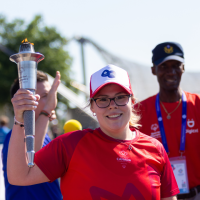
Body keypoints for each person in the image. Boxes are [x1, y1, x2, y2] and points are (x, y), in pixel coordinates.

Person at [7, 64, 179, 200]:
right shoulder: (70, 145)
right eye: (103, 99)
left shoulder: (155, 148)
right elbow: (19, 176)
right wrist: (19, 120)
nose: (112, 105)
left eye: (120, 97)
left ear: (131, 101)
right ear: (93, 107)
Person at [137, 42, 200, 200]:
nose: (171, 72)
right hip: (161, 196)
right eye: (164, 66)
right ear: (154, 70)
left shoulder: (197, 104)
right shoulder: (139, 111)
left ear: (183, 68)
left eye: (176, 66)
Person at [2, 70, 62, 200]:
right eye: (46, 95)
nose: (52, 99)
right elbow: (31, 157)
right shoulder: (14, 136)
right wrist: (46, 111)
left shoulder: (45, 134)